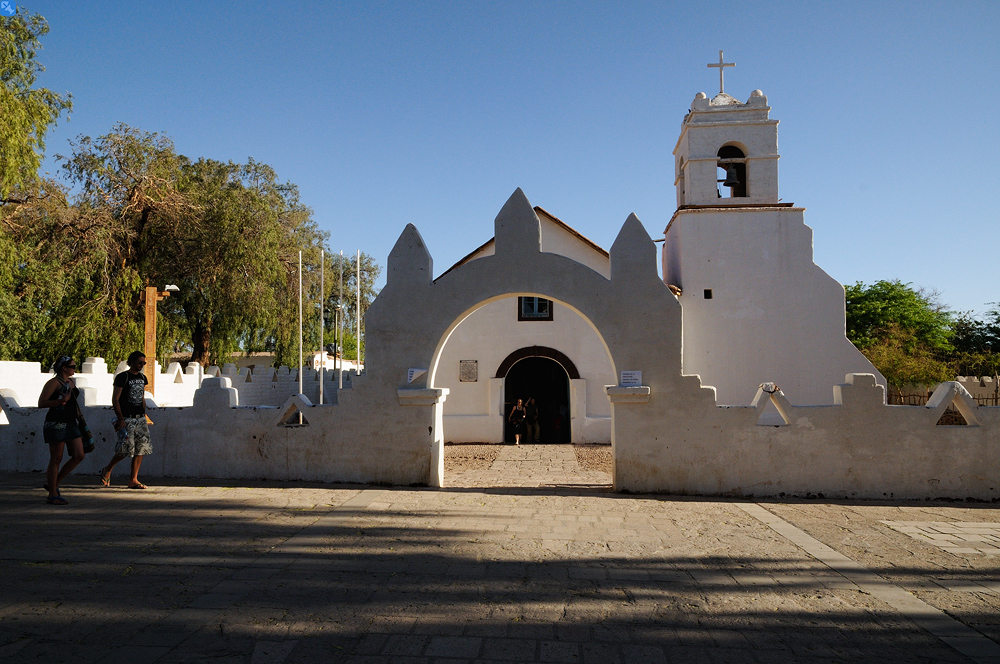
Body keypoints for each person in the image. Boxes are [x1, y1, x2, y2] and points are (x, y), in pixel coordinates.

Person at [100, 351, 153, 489]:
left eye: (144, 363)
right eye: (139, 362)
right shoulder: (123, 377)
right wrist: (120, 418)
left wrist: (144, 415)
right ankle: (108, 469)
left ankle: (133, 479)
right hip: (126, 418)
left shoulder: (142, 378)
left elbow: (142, 398)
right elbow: (115, 399)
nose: (142, 365)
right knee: (125, 449)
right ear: (132, 361)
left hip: (140, 418)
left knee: (141, 449)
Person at [38, 356, 86, 505]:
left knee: (79, 455)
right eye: (72, 366)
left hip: (71, 422)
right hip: (56, 422)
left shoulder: (70, 382)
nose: (75, 369)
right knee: (56, 458)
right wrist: (61, 401)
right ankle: (52, 493)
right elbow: (41, 403)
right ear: (63, 368)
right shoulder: (53, 383)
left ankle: (53, 483)